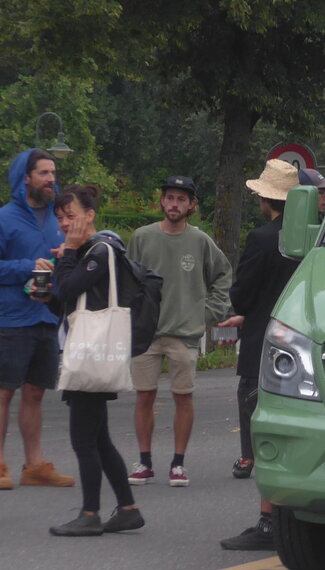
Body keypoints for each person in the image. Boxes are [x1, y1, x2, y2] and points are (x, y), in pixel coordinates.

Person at [47, 185, 144, 536]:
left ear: (89, 216)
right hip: (87, 350)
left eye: (71, 216)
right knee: (99, 438)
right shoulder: (83, 251)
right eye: (60, 218)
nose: (65, 224)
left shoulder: (99, 251)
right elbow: (63, 299)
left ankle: (90, 513)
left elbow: (71, 289)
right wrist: (47, 288)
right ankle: (128, 508)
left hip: (92, 353)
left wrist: (68, 254)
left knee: (83, 440)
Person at [126, 176, 232, 487]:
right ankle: (144, 462)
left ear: (191, 205)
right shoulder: (142, 237)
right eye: (169, 197)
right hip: (146, 333)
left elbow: (223, 275)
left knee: (182, 397)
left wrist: (208, 314)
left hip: (184, 333)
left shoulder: (200, 241)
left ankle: (178, 464)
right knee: (144, 396)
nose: (174, 204)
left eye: (181, 199)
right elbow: (126, 280)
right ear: (162, 201)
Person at [217, 159, 301, 549]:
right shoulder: (310, 239)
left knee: (260, 430)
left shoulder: (264, 239)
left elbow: (242, 293)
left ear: (269, 199)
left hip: (262, 346)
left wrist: (242, 309)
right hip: (297, 345)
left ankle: (268, 521)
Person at [0, 149, 74, 490]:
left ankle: (34, 466)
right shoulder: (5, 218)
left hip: (47, 317)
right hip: (11, 318)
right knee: (4, 392)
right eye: (44, 173)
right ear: (25, 178)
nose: (51, 179)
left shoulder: (61, 220)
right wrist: (26, 266)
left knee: (35, 392)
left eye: (53, 173)